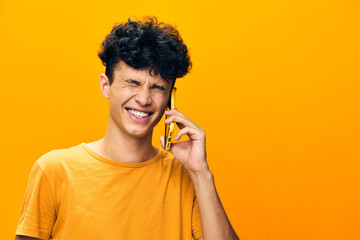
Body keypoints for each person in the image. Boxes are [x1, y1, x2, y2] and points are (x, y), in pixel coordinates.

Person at [15, 16, 239, 240]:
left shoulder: (186, 175)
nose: (143, 99)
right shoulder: (54, 170)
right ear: (106, 86)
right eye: (132, 83)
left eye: (158, 88)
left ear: (170, 99)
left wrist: (201, 173)